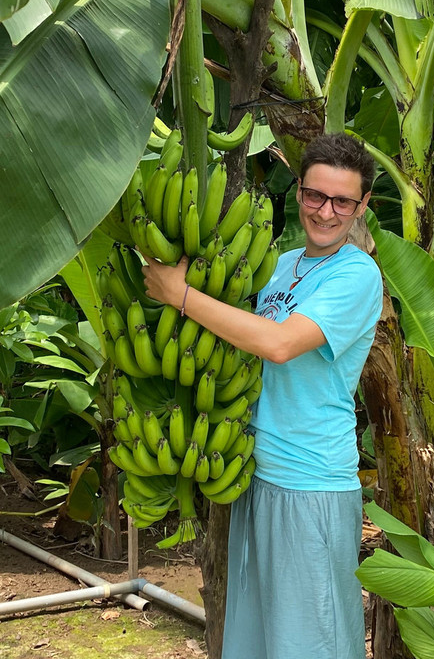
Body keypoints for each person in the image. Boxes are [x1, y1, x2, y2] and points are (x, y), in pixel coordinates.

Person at [143, 133, 382, 659]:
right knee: (260, 641)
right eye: (315, 195)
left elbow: (277, 344)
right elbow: (233, 336)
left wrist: (179, 295)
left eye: (343, 201)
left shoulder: (357, 275)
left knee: (309, 643)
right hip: (256, 474)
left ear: (362, 205)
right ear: (298, 191)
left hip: (310, 481)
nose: (326, 212)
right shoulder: (279, 264)